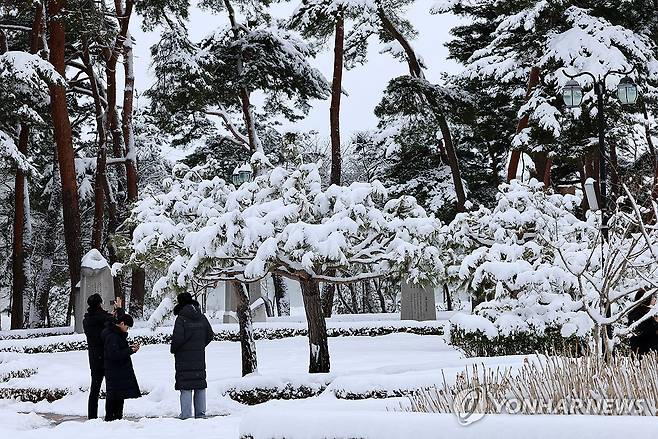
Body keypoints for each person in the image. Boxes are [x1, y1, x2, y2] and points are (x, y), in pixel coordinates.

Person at [171, 293, 214, 419]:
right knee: (199, 384)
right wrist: (199, 346)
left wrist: (174, 350)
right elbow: (210, 335)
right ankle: (201, 414)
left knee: (185, 386)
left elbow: (177, 339)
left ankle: (186, 415)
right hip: (199, 356)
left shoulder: (181, 318)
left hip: (183, 358)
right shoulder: (201, 317)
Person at [82, 294, 123, 419]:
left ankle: (92, 417)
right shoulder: (104, 318)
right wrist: (119, 310)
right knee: (110, 388)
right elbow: (120, 325)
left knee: (94, 389)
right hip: (107, 357)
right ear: (100, 303)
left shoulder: (86, 320)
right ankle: (110, 416)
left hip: (94, 359)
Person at [101, 313, 141, 421]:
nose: (127, 330)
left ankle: (116, 419)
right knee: (114, 397)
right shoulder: (113, 336)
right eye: (127, 327)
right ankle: (112, 419)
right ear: (122, 323)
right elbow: (114, 354)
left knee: (118, 396)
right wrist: (129, 350)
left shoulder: (115, 334)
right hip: (115, 371)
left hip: (116, 371)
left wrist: (129, 350)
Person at [628, 289, 658, 357]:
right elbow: (643, 333)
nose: (655, 299)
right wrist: (655, 324)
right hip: (643, 355)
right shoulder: (636, 315)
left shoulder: (650, 313)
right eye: (652, 297)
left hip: (651, 354)